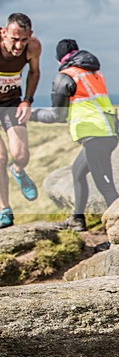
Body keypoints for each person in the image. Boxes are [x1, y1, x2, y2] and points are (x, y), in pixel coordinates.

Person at [30, 39, 119, 231]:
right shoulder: (93, 72)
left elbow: (57, 114)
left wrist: (32, 114)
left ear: (58, 59)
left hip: (95, 136)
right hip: (107, 131)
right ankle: (77, 219)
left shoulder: (66, 76)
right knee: (77, 172)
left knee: (106, 187)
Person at [0, 13, 41, 228]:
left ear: (30, 36)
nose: (18, 46)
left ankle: (17, 171)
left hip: (11, 103)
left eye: (23, 40)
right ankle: (4, 209)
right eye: (14, 39)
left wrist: (27, 101)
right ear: (3, 32)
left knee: (21, 155)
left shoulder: (33, 47)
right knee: (0, 157)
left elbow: (34, 73)